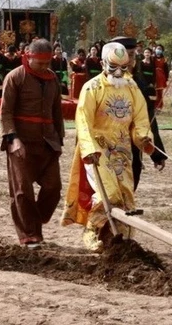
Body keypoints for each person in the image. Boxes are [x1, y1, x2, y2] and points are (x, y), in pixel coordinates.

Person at [61, 41, 153, 251]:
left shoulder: (132, 88)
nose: (118, 72)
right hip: (98, 150)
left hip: (123, 151)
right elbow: (83, 120)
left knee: (126, 196)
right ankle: (92, 231)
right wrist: (89, 149)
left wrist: (143, 137)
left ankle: (123, 238)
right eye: (113, 67)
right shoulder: (92, 87)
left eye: (123, 67)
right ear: (103, 63)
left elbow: (140, 119)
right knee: (108, 194)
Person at [0, 39, 65, 247]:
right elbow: (6, 112)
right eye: (40, 63)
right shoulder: (15, 77)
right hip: (22, 142)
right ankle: (29, 235)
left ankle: (35, 219)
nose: (45, 67)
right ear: (29, 56)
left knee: (54, 187)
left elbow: (57, 112)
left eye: (48, 63)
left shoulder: (53, 78)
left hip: (48, 142)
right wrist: (13, 138)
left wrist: (59, 139)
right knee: (22, 191)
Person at [116, 36, 167, 189]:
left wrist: (157, 153)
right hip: (107, 144)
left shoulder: (140, 84)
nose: (129, 59)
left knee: (133, 177)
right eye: (125, 54)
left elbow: (149, 118)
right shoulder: (99, 85)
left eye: (132, 55)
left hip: (132, 143)